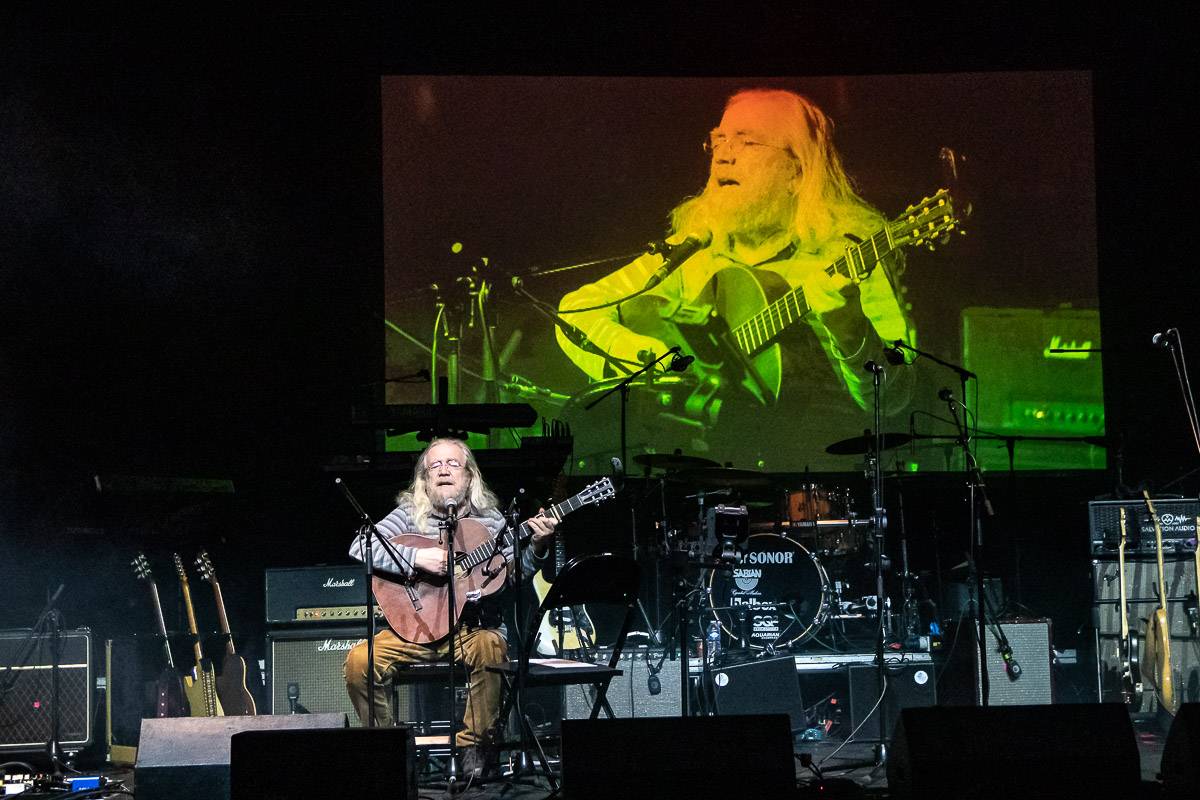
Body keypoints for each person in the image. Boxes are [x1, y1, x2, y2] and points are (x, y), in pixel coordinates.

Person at [555, 88, 916, 463]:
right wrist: (656, 363)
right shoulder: (692, 249)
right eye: (719, 140)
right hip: (696, 471)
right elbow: (575, 312)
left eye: (748, 143)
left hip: (810, 473)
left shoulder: (848, 254)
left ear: (797, 170)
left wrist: (850, 329)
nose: (724, 156)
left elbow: (894, 399)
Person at [343, 437, 557, 777]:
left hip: (470, 631)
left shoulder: (492, 523)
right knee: (359, 662)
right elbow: (361, 547)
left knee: (492, 646)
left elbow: (513, 578)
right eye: (435, 466)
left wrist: (538, 545)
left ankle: (473, 748)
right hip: (413, 631)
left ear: (470, 477)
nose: (443, 470)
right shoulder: (408, 516)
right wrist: (418, 557)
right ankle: (391, 746)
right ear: (425, 480)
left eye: (453, 464)